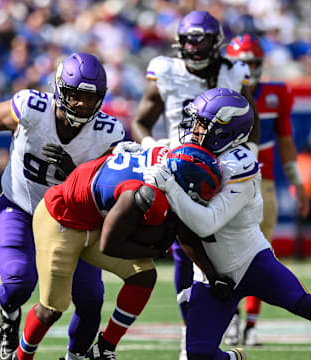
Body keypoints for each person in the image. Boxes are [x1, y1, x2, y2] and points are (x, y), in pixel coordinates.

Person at [0, 52, 126, 360]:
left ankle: (76, 355)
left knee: (90, 298)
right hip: (21, 206)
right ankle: (9, 317)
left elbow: (106, 190)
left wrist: (74, 171)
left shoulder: (109, 132)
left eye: (91, 98)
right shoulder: (32, 108)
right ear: (60, 89)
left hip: (72, 218)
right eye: (76, 95)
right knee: (19, 283)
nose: (83, 104)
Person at [15, 142, 237, 360]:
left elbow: (182, 229)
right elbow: (109, 245)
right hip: (62, 219)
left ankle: (104, 349)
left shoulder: (167, 165)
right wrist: (157, 251)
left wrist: (213, 275)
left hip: (96, 220)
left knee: (143, 275)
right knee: (51, 309)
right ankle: (22, 357)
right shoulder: (141, 193)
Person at [144, 87, 311, 360]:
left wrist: (171, 186)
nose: (194, 129)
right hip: (210, 274)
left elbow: (207, 223)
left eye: (202, 124)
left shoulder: (240, 163)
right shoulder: (186, 151)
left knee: (302, 303)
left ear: (226, 132)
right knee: (198, 355)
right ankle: (234, 358)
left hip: (252, 262)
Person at [130, 10, 260, 359]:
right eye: (188, 38)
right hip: (179, 168)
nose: (193, 45)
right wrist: (151, 147)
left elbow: (253, 125)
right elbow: (141, 121)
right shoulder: (166, 71)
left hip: (222, 170)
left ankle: (221, 324)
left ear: (216, 40)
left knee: (228, 247)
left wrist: (245, 164)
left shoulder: (235, 71)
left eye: (200, 38)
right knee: (182, 247)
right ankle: (192, 330)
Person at [224, 33, 310, 346]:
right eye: (241, 62)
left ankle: (251, 326)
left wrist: (297, 183)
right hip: (228, 185)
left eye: (252, 62)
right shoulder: (222, 94)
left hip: (265, 183)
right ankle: (232, 321)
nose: (247, 68)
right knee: (226, 255)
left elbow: (286, 140)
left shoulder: (276, 93)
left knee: (261, 253)